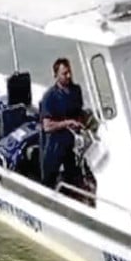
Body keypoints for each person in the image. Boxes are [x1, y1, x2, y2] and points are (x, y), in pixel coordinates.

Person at [39, 57, 85, 190]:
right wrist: (67, 123)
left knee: (73, 175)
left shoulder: (76, 90)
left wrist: (80, 122)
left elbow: (79, 112)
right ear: (56, 75)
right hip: (54, 143)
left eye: (69, 72)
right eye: (64, 73)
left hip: (71, 143)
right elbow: (47, 126)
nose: (69, 76)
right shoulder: (50, 96)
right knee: (49, 179)